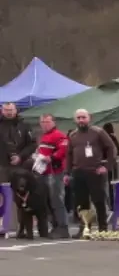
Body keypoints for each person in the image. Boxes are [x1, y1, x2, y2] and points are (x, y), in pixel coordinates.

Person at [64, 109, 118, 237]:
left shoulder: (98, 132)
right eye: (78, 118)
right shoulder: (73, 135)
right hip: (78, 172)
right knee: (81, 203)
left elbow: (112, 148)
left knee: (98, 200)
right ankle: (85, 228)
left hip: (95, 171)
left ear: (90, 118)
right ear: (75, 120)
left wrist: (107, 166)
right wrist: (67, 173)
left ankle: (103, 228)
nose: (81, 120)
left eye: (83, 117)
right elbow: (69, 155)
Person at [0, 102, 37, 237]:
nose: (9, 112)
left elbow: (32, 144)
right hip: (2, 166)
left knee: (21, 197)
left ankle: (22, 228)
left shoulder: (24, 125)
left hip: (20, 166)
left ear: (16, 110)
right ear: (2, 110)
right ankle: (3, 226)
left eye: (11, 110)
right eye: (6, 110)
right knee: (3, 197)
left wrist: (20, 157)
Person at [37, 114, 70, 238]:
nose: (45, 124)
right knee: (49, 201)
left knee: (57, 200)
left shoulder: (59, 135)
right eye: (42, 122)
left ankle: (63, 227)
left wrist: (51, 157)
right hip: (45, 172)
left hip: (56, 171)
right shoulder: (44, 137)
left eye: (47, 122)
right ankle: (55, 225)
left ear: (54, 122)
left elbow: (63, 150)